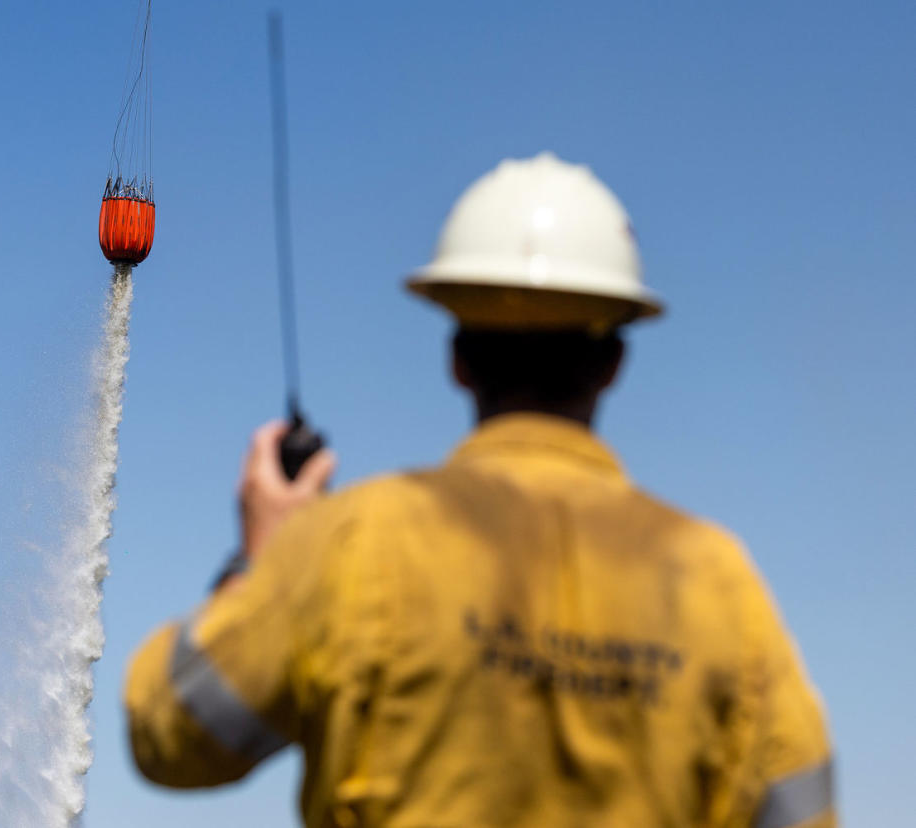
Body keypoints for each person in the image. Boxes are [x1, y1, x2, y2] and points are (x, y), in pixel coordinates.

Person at [124, 153, 835, 827]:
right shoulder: (717, 583)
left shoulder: (354, 544)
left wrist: (259, 564)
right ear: (614, 362)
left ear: (457, 358)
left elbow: (169, 734)